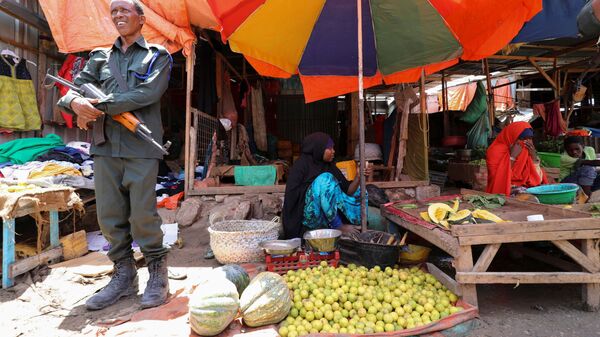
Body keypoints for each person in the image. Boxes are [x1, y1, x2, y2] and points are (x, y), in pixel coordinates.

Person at [57, 0, 172, 310]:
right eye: (114, 12)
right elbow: (72, 89)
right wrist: (75, 103)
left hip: (141, 147)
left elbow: (147, 93)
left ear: (142, 18)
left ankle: (158, 274)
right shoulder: (99, 57)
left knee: (143, 216)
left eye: (125, 10)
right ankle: (123, 275)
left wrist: (100, 105)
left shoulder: (157, 57)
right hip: (105, 144)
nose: (119, 16)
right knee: (109, 216)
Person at [282, 132, 371, 239]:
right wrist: (317, 189)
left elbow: (348, 190)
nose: (333, 151)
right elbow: (292, 198)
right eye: (330, 148)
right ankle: (338, 226)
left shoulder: (329, 165)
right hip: (306, 218)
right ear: (319, 149)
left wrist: (358, 176)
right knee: (325, 179)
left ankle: (358, 224)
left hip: (327, 215)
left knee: (360, 190)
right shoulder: (301, 165)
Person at [486, 121, 547, 196]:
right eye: (523, 138)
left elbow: (537, 179)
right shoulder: (495, 151)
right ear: (512, 136)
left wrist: (534, 157)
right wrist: (512, 157)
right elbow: (497, 180)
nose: (527, 142)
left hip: (524, 192)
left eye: (530, 138)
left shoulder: (525, 150)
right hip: (501, 193)